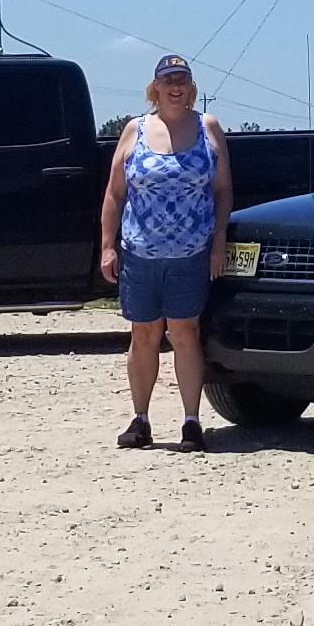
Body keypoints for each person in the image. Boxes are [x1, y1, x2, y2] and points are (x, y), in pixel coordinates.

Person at [98, 53, 231, 449]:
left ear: (191, 89)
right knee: (144, 333)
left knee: (185, 332)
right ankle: (140, 419)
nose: (176, 87)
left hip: (191, 252)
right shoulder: (134, 131)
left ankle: (191, 421)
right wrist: (108, 245)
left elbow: (222, 191)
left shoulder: (208, 128)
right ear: (154, 87)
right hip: (140, 252)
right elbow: (114, 193)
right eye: (168, 80)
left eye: (183, 81)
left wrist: (219, 242)